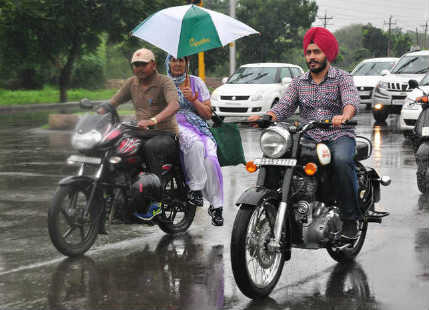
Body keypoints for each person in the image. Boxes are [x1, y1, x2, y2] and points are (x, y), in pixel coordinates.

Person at [249, 27, 361, 240]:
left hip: (338, 134)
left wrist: (344, 115)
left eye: (317, 52)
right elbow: (284, 107)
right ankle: (276, 206)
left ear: (327, 53)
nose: (312, 57)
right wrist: (268, 116)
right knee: (277, 159)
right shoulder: (299, 82)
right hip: (308, 135)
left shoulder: (342, 78)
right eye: (309, 53)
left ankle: (350, 219)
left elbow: (351, 102)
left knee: (342, 161)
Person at [100, 48, 180, 221]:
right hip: (140, 132)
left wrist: (154, 120)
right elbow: (115, 100)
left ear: (153, 64)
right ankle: (112, 195)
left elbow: (174, 105)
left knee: (151, 147)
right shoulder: (132, 83)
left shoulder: (164, 82)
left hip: (164, 133)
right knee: (113, 147)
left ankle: (156, 202)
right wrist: (100, 110)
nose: (139, 68)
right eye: (136, 65)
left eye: (143, 64)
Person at [165, 54, 224, 226]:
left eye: (181, 60)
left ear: (186, 63)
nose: (177, 64)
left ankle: (217, 206)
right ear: (167, 63)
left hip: (199, 126)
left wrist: (193, 99)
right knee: (195, 145)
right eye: (173, 60)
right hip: (173, 124)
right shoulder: (162, 83)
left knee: (211, 160)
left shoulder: (196, 82)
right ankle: (196, 189)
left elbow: (207, 114)